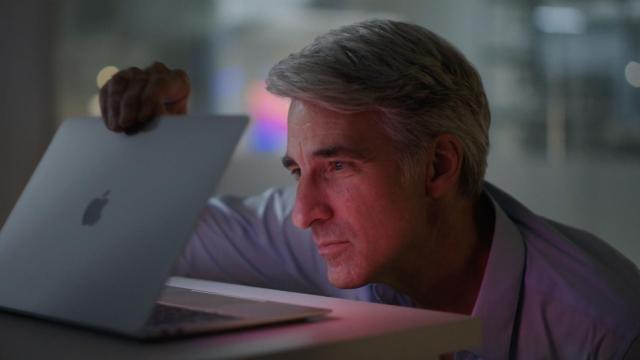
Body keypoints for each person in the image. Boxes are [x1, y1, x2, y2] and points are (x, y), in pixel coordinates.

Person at [100, 19, 640, 359]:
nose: (304, 213)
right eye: (296, 171)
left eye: (337, 167)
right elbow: (145, 241)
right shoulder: (318, 237)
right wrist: (158, 145)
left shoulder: (605, 329)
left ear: (437, 167)